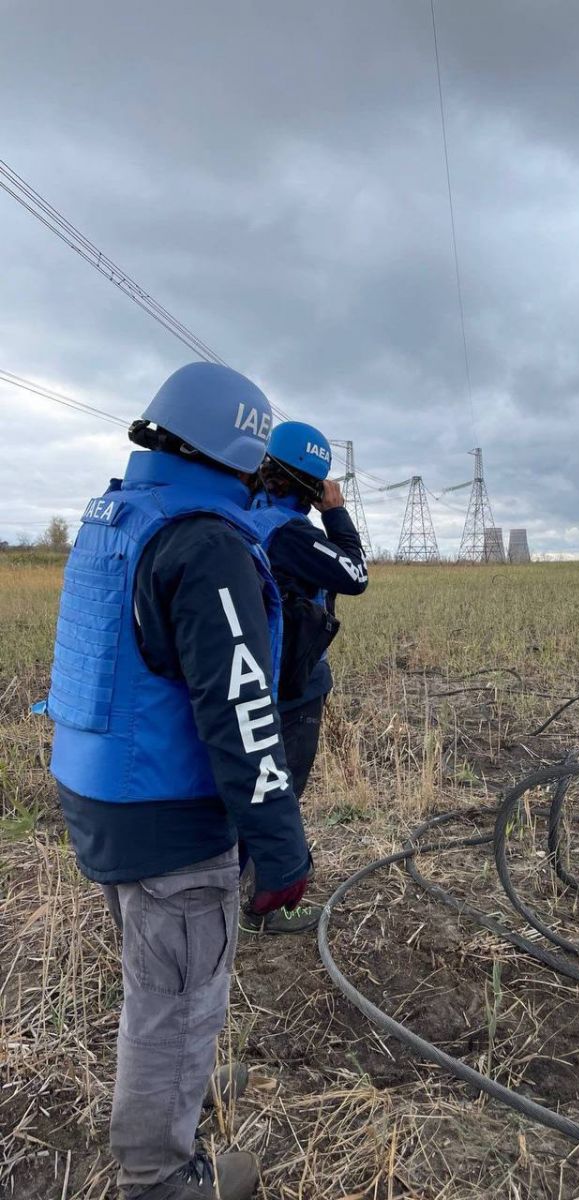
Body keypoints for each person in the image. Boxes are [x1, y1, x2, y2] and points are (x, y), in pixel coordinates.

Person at [45, 362, 311, 1200]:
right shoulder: (207, 543)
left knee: (159, 977)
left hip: (100, 791)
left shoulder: (120, 514)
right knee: (179, 994)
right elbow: (241, 708)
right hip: (168, 810)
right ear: (240, 455)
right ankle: (161, 1177)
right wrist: (280, 847)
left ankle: (177, 1091)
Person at [242, 421, 368, 933]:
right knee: (280, 791)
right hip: (290, 686)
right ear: (313, 486)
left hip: (241, 679)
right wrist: (335, 512)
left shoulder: (241, 513)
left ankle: (226, 890)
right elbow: (355, 574)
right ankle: (268, 904)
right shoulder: (291, 533)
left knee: (244, 785)